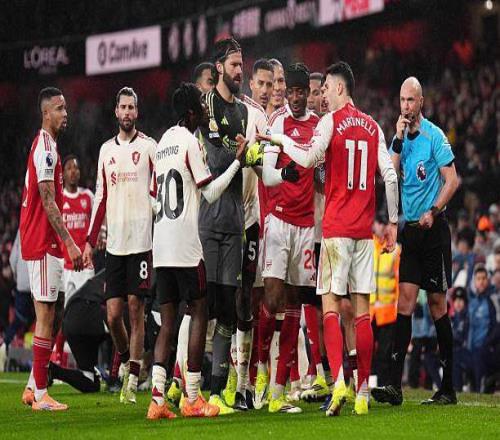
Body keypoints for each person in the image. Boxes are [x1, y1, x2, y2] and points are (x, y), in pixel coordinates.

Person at [258, 61, 399, 416]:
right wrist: (394, 222)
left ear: (338, 88)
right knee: (362, 311)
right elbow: (390, 177)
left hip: (335, 231)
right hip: (364, 233)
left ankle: (337, 383)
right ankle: (362, 392)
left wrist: (279, 140)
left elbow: (307, 159)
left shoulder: (330, 122)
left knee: (331, 307)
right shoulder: (373, 126)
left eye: (325, 89)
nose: (322, 95)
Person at [147, 83, 247, 419]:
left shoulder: (163, 142)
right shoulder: (190, 141)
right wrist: (237, 162)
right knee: (200, 310)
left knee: (167, 322)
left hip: (161, 244)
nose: (206, 110)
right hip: (187, 246)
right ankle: (192, 396)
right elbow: (211, 192)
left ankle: (157, 400)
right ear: (192, 113)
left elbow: (153, 196)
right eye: (202, 107)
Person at [371, 76, 459, 406]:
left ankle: (448, 387)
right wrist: (396, 138)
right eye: (402, 100)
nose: (406, 106)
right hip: (410, 231)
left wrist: (434, 211)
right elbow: (390, 176)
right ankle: (394, 386)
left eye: (411, 100)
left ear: (421, 102)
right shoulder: (400, 139)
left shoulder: (434, 136)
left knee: (437, 306)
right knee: (404, 303)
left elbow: (452, 180)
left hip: (433, 231)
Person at [83, 87, 156, 404]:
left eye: (131, 107)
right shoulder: (105, 151)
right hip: (114, 245)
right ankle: (127, 361)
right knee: (113, 316)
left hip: (140, 242)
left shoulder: (149, 147)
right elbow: (100, 197)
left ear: (137, 112)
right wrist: (90, 241)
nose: (127, 112)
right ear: (116, 112)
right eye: (122, 107)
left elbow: (158, 191)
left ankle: (132, 380)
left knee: (136, 310)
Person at [259, 62, 320, 414]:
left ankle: (279, 392)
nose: (295, 97)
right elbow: (267, 176)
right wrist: (286, 173)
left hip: (306, 225)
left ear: (307, 94)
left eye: (300, 92)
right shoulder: (277, 123)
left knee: (295, 303)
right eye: (291, 92)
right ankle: (261, 371)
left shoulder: (318, 126)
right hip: (279, 222)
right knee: (272, 299)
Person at [20, 87, 83, 411]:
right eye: (59, 108)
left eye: (65, 108)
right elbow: (47, 199)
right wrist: (70, 242)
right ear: (46, 113)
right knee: (45, 316)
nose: (65, 113)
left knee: (55, 311)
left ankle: (33, 385)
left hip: (47, 243)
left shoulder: (49, 145)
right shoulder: (45, 148)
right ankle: (42, 395)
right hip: (43, 241)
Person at [197, 37, 248, 415]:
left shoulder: (243, 111)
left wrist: (254, 154)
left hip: (234, 222)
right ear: (219, 68)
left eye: (241, 64)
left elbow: (245, 157)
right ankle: (186, 383)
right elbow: (214, 160)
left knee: (228, 310)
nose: (239, 71)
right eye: (234, 65)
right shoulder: (207, 106)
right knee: (205, 308)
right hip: (208, 222)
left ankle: (216, 391)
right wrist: (241, 153)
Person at [52, 155, 95, 367]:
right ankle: (57, 355)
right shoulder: (58, 199)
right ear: (63, 173)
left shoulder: (88, 197)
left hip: (86, 266)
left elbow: (99, 219)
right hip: (66, 266)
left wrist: (101, 235)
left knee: (88, 313)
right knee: (64, 313)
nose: (73, 171)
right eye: (69, 168)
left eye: (76, 168)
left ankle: (87, 361)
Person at [370, 215, 400, 387]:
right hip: (369, 310)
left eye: (384, 223)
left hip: (388, 312)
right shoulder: (367, 246)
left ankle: (383, 386)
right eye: (379, 222)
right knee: (366, 350)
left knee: (384, 353)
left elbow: (398, 280)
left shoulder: (395, 250)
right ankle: (366, 384)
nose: (381, 226)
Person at [467, 264, 496, 392]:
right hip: (470, 347)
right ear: (474, 281)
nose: (481, 281)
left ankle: (480, 388)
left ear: (487, 280)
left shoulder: (492, 300)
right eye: (478, 279)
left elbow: (496, 325)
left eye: (484, 278)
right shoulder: (470, 300)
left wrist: (487, 343)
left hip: (485, 347)